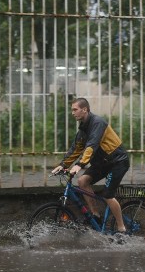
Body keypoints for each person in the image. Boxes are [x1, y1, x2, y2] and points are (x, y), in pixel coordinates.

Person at [51, 98, 130, 233]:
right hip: (102, 163)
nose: (72, 113)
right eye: (72, 110)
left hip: (117, 161)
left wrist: (80, 164)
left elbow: (91, 145)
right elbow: (76, 149)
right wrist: (63, 165)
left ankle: (121, 228)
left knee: (107, 195)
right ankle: (96, 215)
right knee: (82, 181)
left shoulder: (98, 123)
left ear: (85, 109)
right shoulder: (83, 129)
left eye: (75, 109)